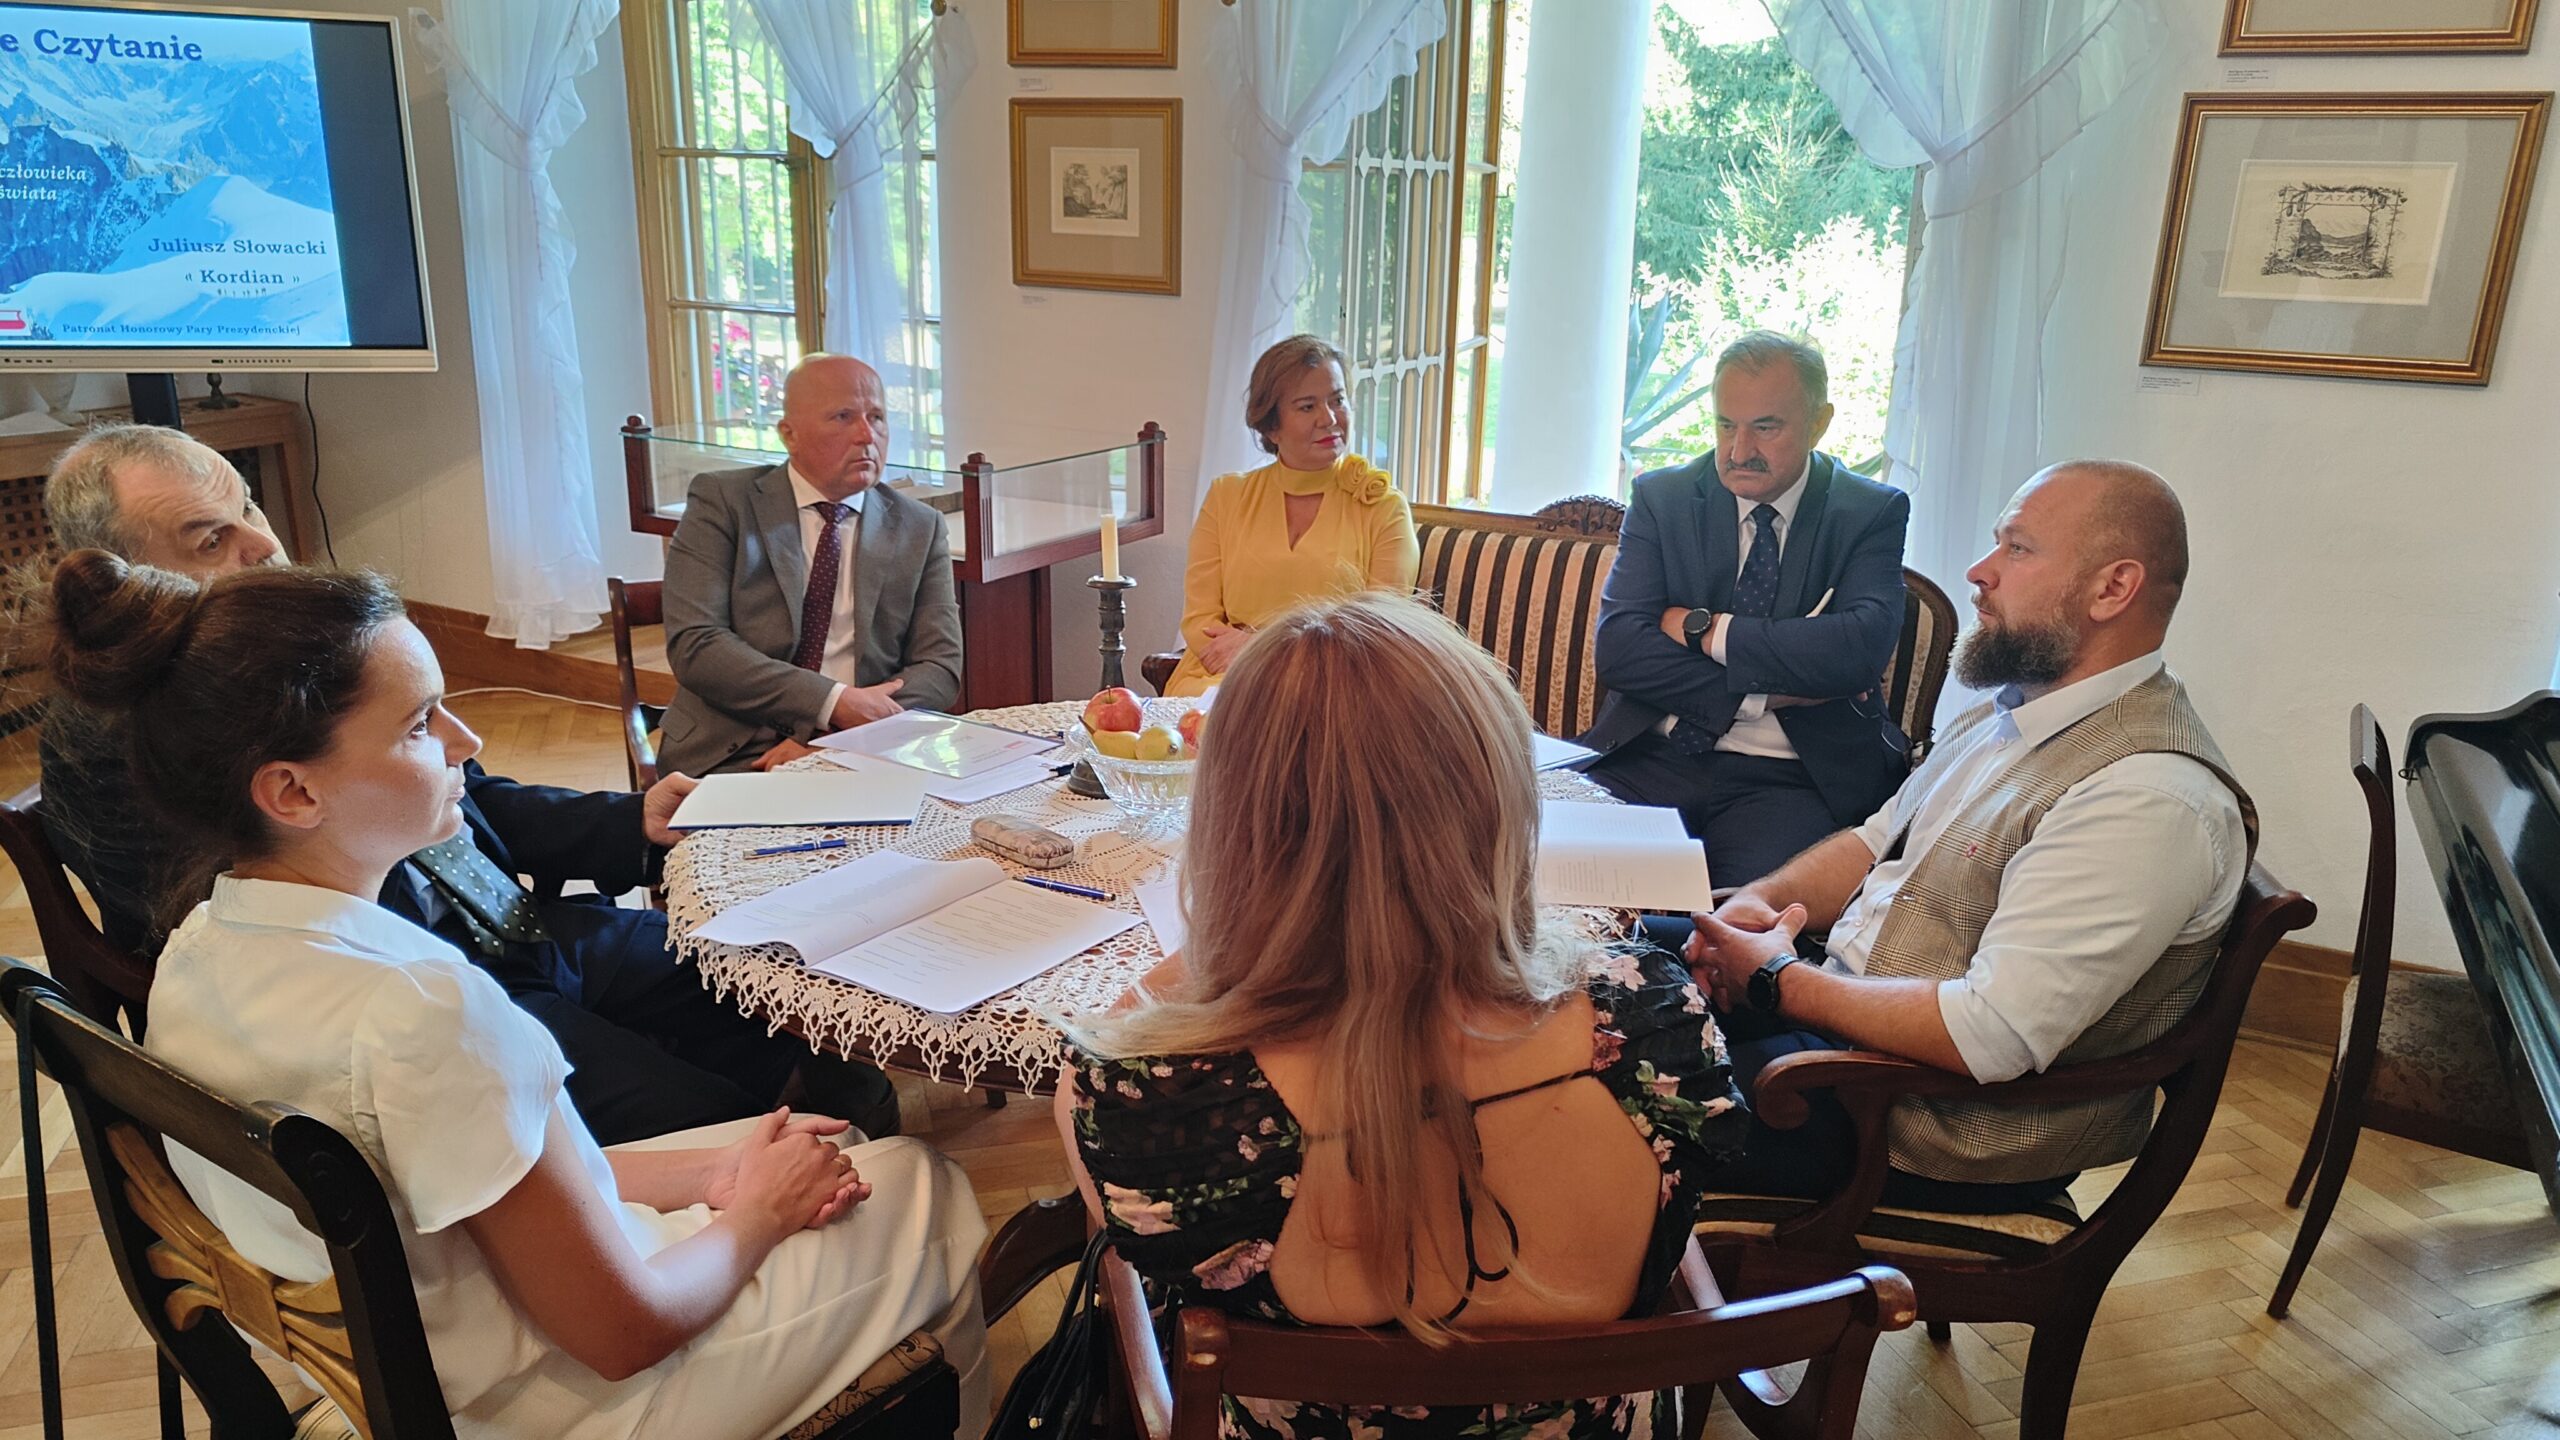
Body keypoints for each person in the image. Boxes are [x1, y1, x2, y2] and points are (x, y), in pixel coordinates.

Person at [28, 550, 990, 1438]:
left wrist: (713, 1176)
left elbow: (487, 1190)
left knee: (810, 1151)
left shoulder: (200, 950)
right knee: (924, 1183)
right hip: (541, 1395)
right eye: (420, 724)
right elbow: (624, 1332)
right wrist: (755, 1217)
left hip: (402, 1353)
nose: (467, 738)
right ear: (293, 793)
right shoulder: (428, 1009)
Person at [33, 423, 897, 1145]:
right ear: (129, 580)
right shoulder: (150, 739)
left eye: (249, 506)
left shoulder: (277, 648)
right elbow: (285, 967)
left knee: (758, 968)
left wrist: (634, 821)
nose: (263, 543)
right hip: (432, 998)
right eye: (209, 539)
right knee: (725, 1122)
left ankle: (801, 1112)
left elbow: (468, 788)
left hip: (513, 930)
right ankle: (758, 1146)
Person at [1056, 594, 1750, 1438]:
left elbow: (1112, 1087)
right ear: (1500, 802)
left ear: (1235, 830)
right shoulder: (1657, 1026)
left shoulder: (1150, 1100)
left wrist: (1238, 934)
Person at [1669, 461, 2253, 1213]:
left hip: (1909, 1127)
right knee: (1589, 963)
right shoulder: (2015, 709)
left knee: (1580, 1088)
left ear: (2114, 588)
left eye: (2018, 548)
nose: (1980, 571)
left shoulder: (2146, 796)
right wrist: (1760, 902)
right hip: (1838, 1030)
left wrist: (1776, 981)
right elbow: (1874, 842)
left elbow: (1991, 1032)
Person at [1582, 331, 1912, 889]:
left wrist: (1707, 631)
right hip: (1652, 758)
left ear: (1819, 422)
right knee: (1565, 884)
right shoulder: (1664, 499)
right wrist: (1761, 693)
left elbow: (1857, 651)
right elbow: (1620, 651)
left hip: (1792, 778)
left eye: (1765, 427)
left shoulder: (1868, 512)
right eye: (1724, 425)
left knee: (1742, 921)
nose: (1738, 452)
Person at [661, 354, 962, 775]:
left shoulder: (919, 525)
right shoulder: (724, 502)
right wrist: (831, 702)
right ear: (789, 434)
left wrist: (838, 739)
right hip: (733, 748)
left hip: (863, 747)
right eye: (843, 417)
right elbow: (697, 645)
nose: (866, 435)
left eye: (877, 417)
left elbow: (940, 667)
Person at [1159, 335, 1419, 697]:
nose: (1330, 418)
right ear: (1271, 426)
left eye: (1338, 400)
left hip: (1335, 687)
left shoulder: (1383, 506)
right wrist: (1244, 663)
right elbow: (1199, 620)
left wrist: (1262, 650)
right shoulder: (1226, 496)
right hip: (1223, 679)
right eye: (1307, 407)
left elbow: (1377, 630)